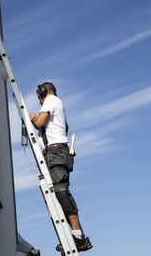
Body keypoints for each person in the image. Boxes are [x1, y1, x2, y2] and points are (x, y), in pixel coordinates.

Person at [29, 82, 93, 253]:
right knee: (57, 195)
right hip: (55, 154)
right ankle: (71, 236)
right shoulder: (57, 105)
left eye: (39, 99)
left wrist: (33, 117)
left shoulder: (51, 100)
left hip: (56, 153)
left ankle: (78, 236)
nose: (40, 103)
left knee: (61, 192)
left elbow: (39, 122)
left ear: (43, 93)